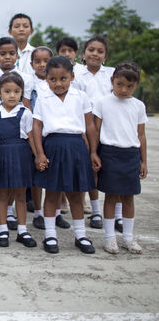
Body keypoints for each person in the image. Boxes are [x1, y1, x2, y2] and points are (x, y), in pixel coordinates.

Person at [33, 56, 98, 254]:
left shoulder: (80, 96)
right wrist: (39, 153)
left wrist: (93, 151)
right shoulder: (43, 98)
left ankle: (81, 236)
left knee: (76, 195)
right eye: (53, 79)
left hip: (76, 146)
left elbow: (89, 125)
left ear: (72, 76)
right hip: (52, 145)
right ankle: (50, 236)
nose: (58, 83)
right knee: (52, 193)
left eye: (63, 78)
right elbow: (37, 127)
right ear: (46, 79)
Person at [92, 62, 147, 254]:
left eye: (130, 86)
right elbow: (96, 130)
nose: (124, 90)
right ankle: (110, 239)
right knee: (111, 197)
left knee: (128, 197)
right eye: (120, 84)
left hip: (130, 155)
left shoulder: (138, 105)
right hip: (110, 153)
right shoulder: (102, 102)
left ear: (136, 85)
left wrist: (143, 160)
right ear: (112, 81)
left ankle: (128, 238)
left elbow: (141, 135)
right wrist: (94, 153)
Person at [0, 37, 33, 232]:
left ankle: (9, 213)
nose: (7, 57)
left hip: (16, 133)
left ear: (18, 56)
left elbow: (26, 105)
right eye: (3, 53)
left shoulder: (25, 78)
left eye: (12, 53)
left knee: (14, 177)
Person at [0, 72, 36, 248]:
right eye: (7, 91)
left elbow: (31, 137)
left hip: (21, 155)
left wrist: (37, 156)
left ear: (22, 92)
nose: (12, 95)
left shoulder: (26, 112)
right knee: (3, 195)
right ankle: (3, 230)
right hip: (1, 155)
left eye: (16, 91)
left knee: (20, 195)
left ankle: (22, 230)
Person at [75, 35, 115, 229]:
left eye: (100, 51)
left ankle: (116, 213)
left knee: (109, 170)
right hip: (85, 126)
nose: (95, 54)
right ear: (84, 53)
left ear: (105, 56)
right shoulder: (76, 74)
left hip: (108, 128)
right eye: (91, 50)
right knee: (90, 169)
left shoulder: (112, 75)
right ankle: (94, 211)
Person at [29, 46, 70, 230]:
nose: (42, 65)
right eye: (37, 61)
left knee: (57, 176)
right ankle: (38, 212)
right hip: (37, 134)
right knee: (39, 175)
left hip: (56, 135)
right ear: (32, 64)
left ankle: (57, 213)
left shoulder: (61, 83)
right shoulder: (30, 84)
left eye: (46, 61)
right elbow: (27, 109)